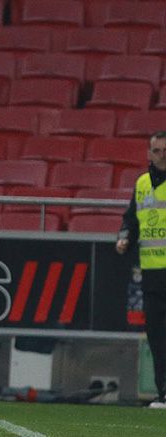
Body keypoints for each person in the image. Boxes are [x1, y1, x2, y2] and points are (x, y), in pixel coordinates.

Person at [117, 131, 166, 409]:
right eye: (157, 150)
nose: (161, 155)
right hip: (151, 274)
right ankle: (165, 394)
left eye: (165, 150)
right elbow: (131, 220)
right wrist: (124, 237)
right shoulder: (142, 184)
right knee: (157, 336)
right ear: (149, 154)